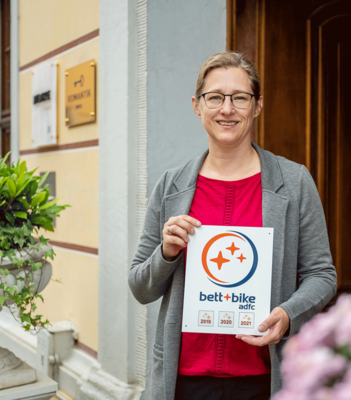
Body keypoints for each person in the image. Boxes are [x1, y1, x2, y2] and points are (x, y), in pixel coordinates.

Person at [128, 52, 337, 400]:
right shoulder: (170, 187)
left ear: (256, 106)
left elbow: (322, 275)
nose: (227, 109)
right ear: (197, 105)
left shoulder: (295, 181)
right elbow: (140, 287)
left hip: (263, 380)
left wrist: (288, 315)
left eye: (240, 97)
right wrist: (166, 253)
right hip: (184, 382)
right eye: (215, 97)